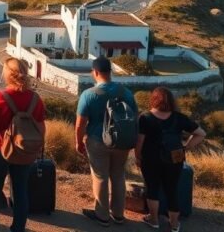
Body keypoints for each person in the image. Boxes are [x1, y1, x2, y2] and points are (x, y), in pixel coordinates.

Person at [0, 58, 46, 232]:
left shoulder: (0, 97)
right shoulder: (35, 99)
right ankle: (18, 229)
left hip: (0, 149)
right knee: (20, 191)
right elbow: (41, 127)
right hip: (25, 152)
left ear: (8, 74)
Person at [75, 56, 138, 226]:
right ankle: (118, 214)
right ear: (110, 72)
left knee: (100, 176)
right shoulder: (126, 93)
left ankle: (102, 215)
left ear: (95, 73)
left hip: (97, 140)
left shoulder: (88, 95)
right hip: (121, 141)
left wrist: (78, 142)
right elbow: (134, 117)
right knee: (118, 175)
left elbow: (80, 124)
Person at [135, 87, 206, 232]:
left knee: (152, 187)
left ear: (153, 100)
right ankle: (174, 224)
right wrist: (186, 147)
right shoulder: (179, 117)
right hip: (176, 156)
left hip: (151, 156)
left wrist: (138, 156)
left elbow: (139, 141)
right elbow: (201, 134)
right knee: (172, 189)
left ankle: (154, 220)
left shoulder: (145, 117)